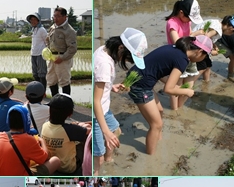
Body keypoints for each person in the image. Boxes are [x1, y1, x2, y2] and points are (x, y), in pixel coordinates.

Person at [127, 36, 212, 154]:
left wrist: (176, 87)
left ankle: (158, 139)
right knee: (156, 125)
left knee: (160, 111)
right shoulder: (182, 60)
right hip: (140, 86)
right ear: (200, 52)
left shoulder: (175, 49)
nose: (203, 59)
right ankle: (151, 158)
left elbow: (158, 70)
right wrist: (187, 91)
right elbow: (168, 90)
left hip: (140, 78)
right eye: (205, 56)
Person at [93, 28, 147, 175]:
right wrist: (105, 132)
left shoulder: (103, 50)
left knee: (116, 131)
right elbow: (95, 101)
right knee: (98, 158)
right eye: (128, 58)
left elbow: (97, 83)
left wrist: (111, 86)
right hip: (97, 114)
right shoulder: (104, 64)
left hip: (104, 108)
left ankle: (109, 161)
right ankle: (97, 172)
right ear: (121, 47)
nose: (127, 62)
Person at [0, 104, 60, 176]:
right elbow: (44, 158)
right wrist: (42, 141)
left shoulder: (0, 136)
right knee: (55, 160)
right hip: (17, 181)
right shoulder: (28, 140)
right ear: (27, 121)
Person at [41, 94, 90, 174]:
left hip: (52, 164)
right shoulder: (69, 129)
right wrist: (83, 125)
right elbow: (89, 131)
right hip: (68, 168)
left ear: (49, 110)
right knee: (87, 136)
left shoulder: (45, 125)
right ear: (70, 114)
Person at [46, 7, 77, 97]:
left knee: (64, 81)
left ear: (65, 17)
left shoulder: (69, 31)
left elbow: (72, 49)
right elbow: (48, 40)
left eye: (58, 16)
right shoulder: (53, 27)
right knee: (51, 80)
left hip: (63, 58)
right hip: (52, 58)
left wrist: (62, 58)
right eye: (54, 16)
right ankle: (55, 102)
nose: (55, 18)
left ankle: (66, 104)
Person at [27, 13, 47, 89]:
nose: (33, 21)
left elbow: (47, 41)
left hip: (40, 54)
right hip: (33, 54)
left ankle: (43, 90)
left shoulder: (42, 30)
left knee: (42, 73)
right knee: (35, 73)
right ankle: (38, 90)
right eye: (31, 20)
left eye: (34, 20)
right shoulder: (34, 29)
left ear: (38, 20)